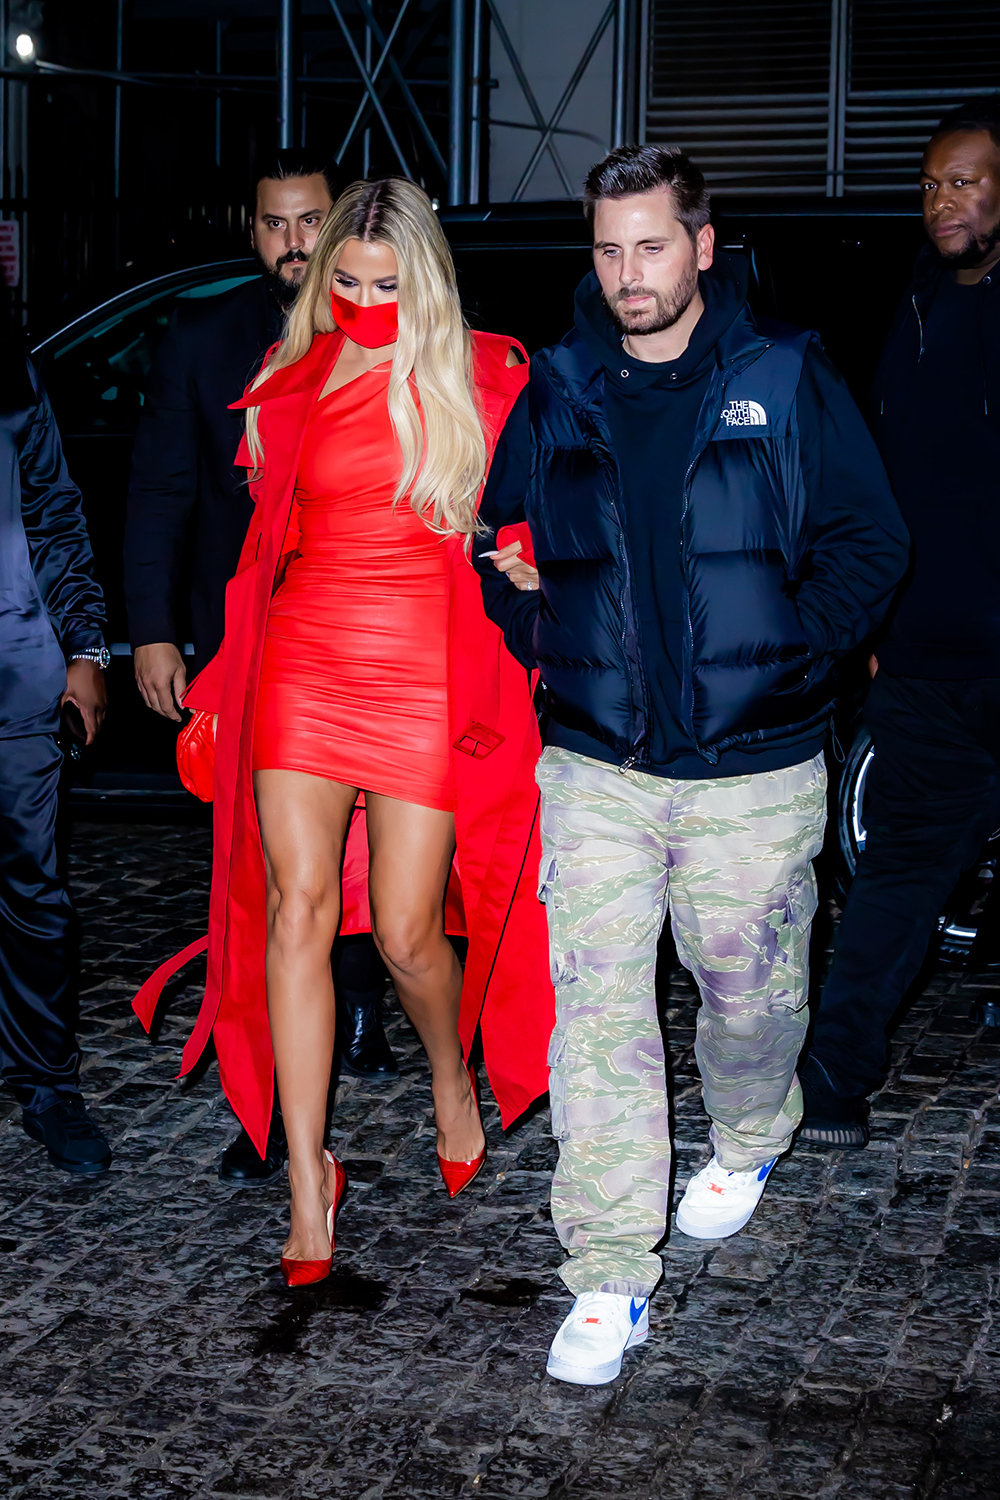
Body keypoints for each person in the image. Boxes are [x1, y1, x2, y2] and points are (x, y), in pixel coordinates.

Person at [474, 143, 909, 1386]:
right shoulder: (559, 385)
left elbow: (871, 542)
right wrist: (539, 623)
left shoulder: (784, 371)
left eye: (652, 246)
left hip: (752, 767)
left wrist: (795, 652)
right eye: (608, 249)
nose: (629, 273)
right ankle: (609, 1275)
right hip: (597, 763)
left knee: (748, 1001)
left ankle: (753, 1125)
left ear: (702, 247)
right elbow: (496, 544)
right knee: (599, 1017)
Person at [137, 176, 554, 1286]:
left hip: (421, 669)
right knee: (297, 914)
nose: (365, 305)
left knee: (411, 934)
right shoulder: (288, 378)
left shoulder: (488, 377)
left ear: (426, 283)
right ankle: (307, 1180)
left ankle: (449, 1074)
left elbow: (525, 517)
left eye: (387, 286)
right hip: (306, 660)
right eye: (350, 285)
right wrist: (219, 669)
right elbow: (257, 543)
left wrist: (526, 561)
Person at [123, 152, 398, 1187]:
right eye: (275, 224)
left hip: (365, 648)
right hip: (248, 654)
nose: (293, 241)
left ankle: (361, 999)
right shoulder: (203, 339)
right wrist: (153, 631)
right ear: (252, 231)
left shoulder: (382, 329)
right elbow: (160, 493)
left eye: (310, 220)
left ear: (343, 222)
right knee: (266, 881)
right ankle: (270, 1106)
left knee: (366, 862)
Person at [799, 99, 1000, 1148]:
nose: (941, 201)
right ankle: (832, 1077)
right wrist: (878, 617)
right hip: (926, 660)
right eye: (930, 184)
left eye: (964, 181)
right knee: (895, 877)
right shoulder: (916, 301)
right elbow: (881, 486)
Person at [0, 337, 110, 1173]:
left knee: (33, 891)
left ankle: (47, 1085)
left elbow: (54, 512)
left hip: (15, 670)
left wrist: (85, 648)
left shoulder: (11, 369)